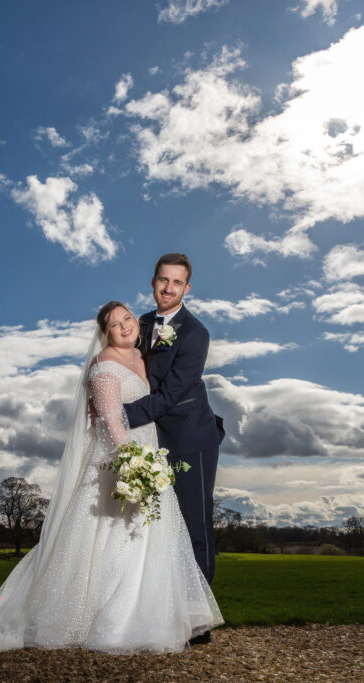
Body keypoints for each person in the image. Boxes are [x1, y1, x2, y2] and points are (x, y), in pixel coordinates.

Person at [0, 301, 222, 666]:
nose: (123, 327)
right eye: (113, 324)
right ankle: (108, 622)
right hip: (124, 462)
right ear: (104, 333)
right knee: (112, 536)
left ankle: (150, 615)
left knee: (151, 539)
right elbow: (109, 422)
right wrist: (134, 466)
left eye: (126, 319)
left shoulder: (141, 358)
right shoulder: (104, 366)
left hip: (149, 453)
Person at [123, 253, 225, 636]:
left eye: (176, 283)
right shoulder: (142, 323)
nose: (168, 288)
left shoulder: (196, 333)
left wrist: (120, 415)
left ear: (187, 288)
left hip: (190, 439)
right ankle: (158, 612)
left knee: (194, 527)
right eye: (162, 280)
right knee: (157, 527)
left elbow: (170, 394)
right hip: (150, 440)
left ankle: (198, 621)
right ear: (153, 282)